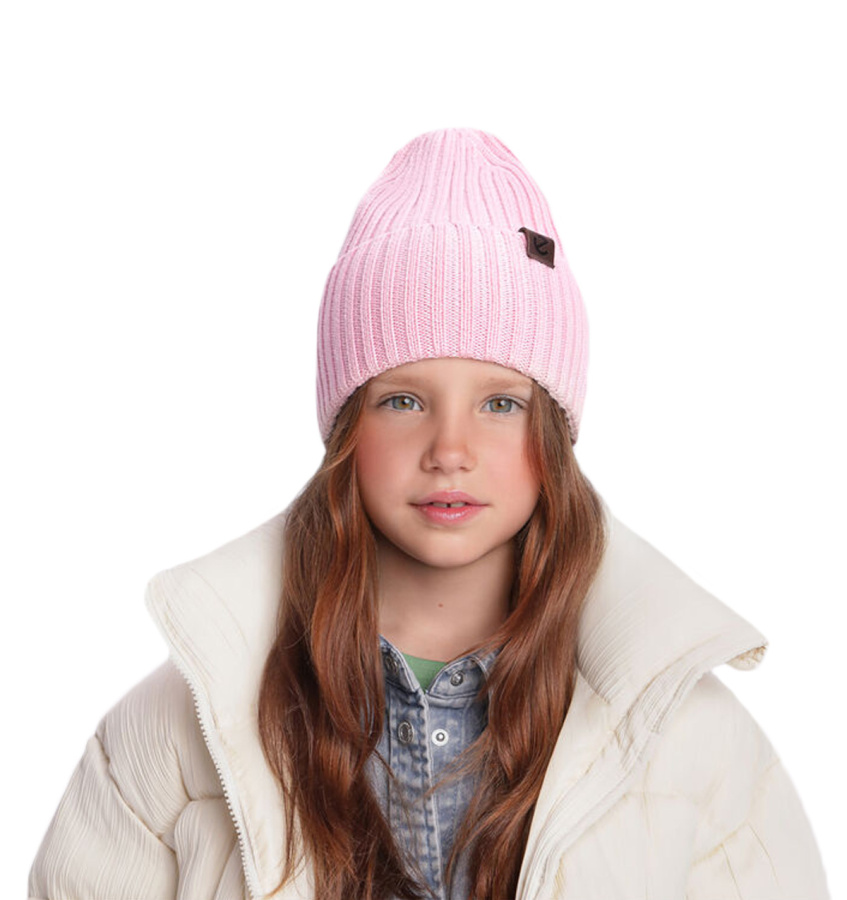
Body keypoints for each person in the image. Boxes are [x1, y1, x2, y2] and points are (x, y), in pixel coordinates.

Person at [27, 127, 829, 900]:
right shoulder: (186, 720)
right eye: (403, 400)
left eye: (500, 403)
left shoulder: (685, 732)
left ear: (553, 435)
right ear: (346, 428)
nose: (450, 449)